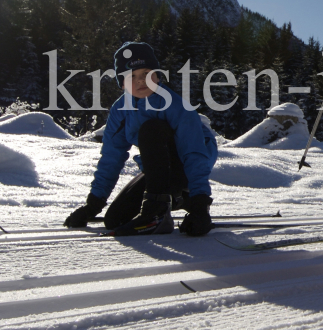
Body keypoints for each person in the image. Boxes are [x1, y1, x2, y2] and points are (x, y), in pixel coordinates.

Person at [64, 42, 219, 237]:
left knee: (151, 129)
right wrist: (93, 205)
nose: (141, 81)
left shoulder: (174, 105)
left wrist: (200, 205)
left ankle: (159, 210)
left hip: (191, 162)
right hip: (159, 169)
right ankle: (176, 199)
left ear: (157, 75)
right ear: (121, 83)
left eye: (146, 73)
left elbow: (194, 153)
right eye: (132, 77)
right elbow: (111, 157)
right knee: (114, 220)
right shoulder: (121, 110)